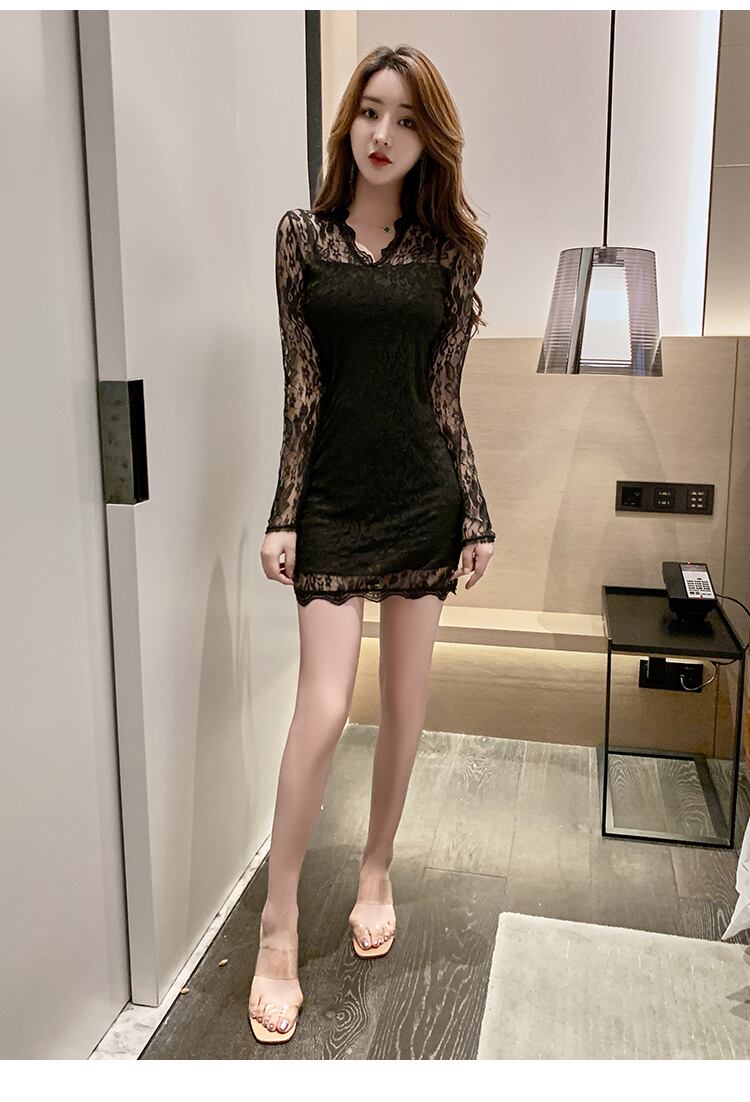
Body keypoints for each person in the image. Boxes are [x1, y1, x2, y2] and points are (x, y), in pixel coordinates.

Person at [249, 43, 495, 1045]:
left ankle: (378, 867)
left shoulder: (450, 253)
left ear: (428, 140)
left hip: (421, 496)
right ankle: (276, 921)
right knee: (321, 707)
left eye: (404, 119)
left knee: (404, 702)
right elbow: (301, 390)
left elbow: (446, 396)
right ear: (347, 121)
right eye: (369, 112)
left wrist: (475, 511)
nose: (383, 134)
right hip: (335, 503)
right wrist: (284, 511)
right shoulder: (301, 239)